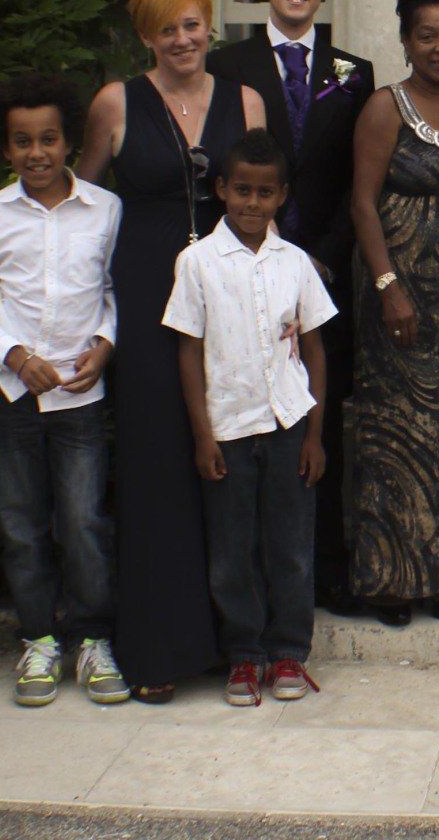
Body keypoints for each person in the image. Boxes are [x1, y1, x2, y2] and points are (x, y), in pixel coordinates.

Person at [79, 0, 266, 703]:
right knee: (157, 461)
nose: (183, 40)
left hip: (227, 295)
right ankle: (158, 647)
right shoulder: (115, 102)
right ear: (145, 37)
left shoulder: (245, 100)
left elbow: (265, 199)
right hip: (147, 295)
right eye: (167, 29)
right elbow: (82, 205)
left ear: (208, 25)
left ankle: (231, 641)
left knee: (227, 457)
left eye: (192, 24)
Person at [0, 74, 127, 708]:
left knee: (84, 522)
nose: (37, 153)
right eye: (22, 142)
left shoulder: (105, 210)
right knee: (22, 525)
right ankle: (40, 640)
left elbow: (115, 292)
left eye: (48, 139)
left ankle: (95, 639)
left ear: (70, 140)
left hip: (81, 398)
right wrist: (16, 357)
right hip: (13, 399)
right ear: (5, 148)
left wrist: (105, 344)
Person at [208, 0, 375, 619]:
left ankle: (326, 568)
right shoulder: (228, 64)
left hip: (323, 270)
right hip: (250, 265)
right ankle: (249, 578)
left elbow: (357, 178)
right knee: (248, 418)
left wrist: (322, 258)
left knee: (319, 420)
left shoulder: (353, 71)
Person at [164, 129, 336, 707]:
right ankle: (244, 654)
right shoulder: (197, 262)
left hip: (289, 426)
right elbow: (188, 349)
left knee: (290, 548)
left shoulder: (295, 263)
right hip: (229, 429)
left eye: (265, 193)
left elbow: (314, 350)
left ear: (282, 196)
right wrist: (203, 435)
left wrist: (315, 435)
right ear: (221, 189)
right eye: (242, 190)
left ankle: (288, 651)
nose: (252, 203)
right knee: (232, 552)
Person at [346, 0, 439, 626]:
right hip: (396, 290)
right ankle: (392, 579)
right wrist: (388, 287)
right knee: (397, 432)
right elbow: (361, 203)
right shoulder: (386, 107)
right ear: (405, 39)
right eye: (428, 35)